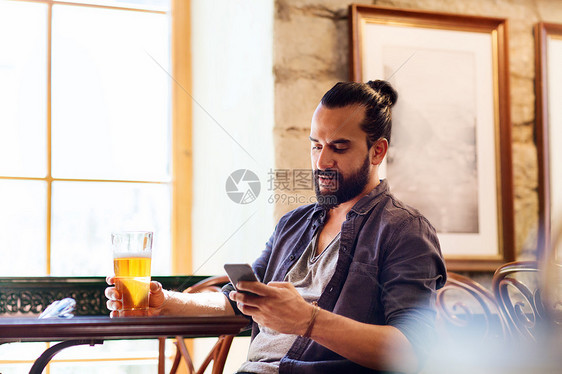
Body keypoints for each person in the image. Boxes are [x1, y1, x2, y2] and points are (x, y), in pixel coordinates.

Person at [106, 80, 447, 374]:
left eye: (339, 148)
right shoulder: (293, 224)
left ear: (378, 151)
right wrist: (163, 301)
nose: (322, 161)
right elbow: (236, 300)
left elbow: (412, 353)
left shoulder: (404, 231)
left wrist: (308, 321)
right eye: (316, 145)